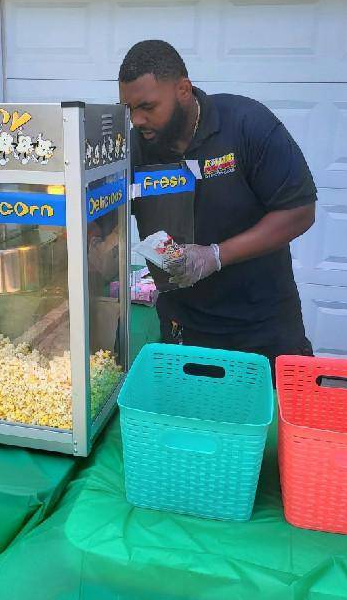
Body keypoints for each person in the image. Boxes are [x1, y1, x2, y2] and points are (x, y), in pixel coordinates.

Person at [119, 39, 317, 376]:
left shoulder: (246, 125)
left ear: (183, 89)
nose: (137, 119)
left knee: (264, 426)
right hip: (184, 327)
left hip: (261, 328)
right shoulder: (135, 148)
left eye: (148, 107)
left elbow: (299, 211)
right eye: (128, 109)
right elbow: (110, 210)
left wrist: (215, 255)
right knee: (192, 423)